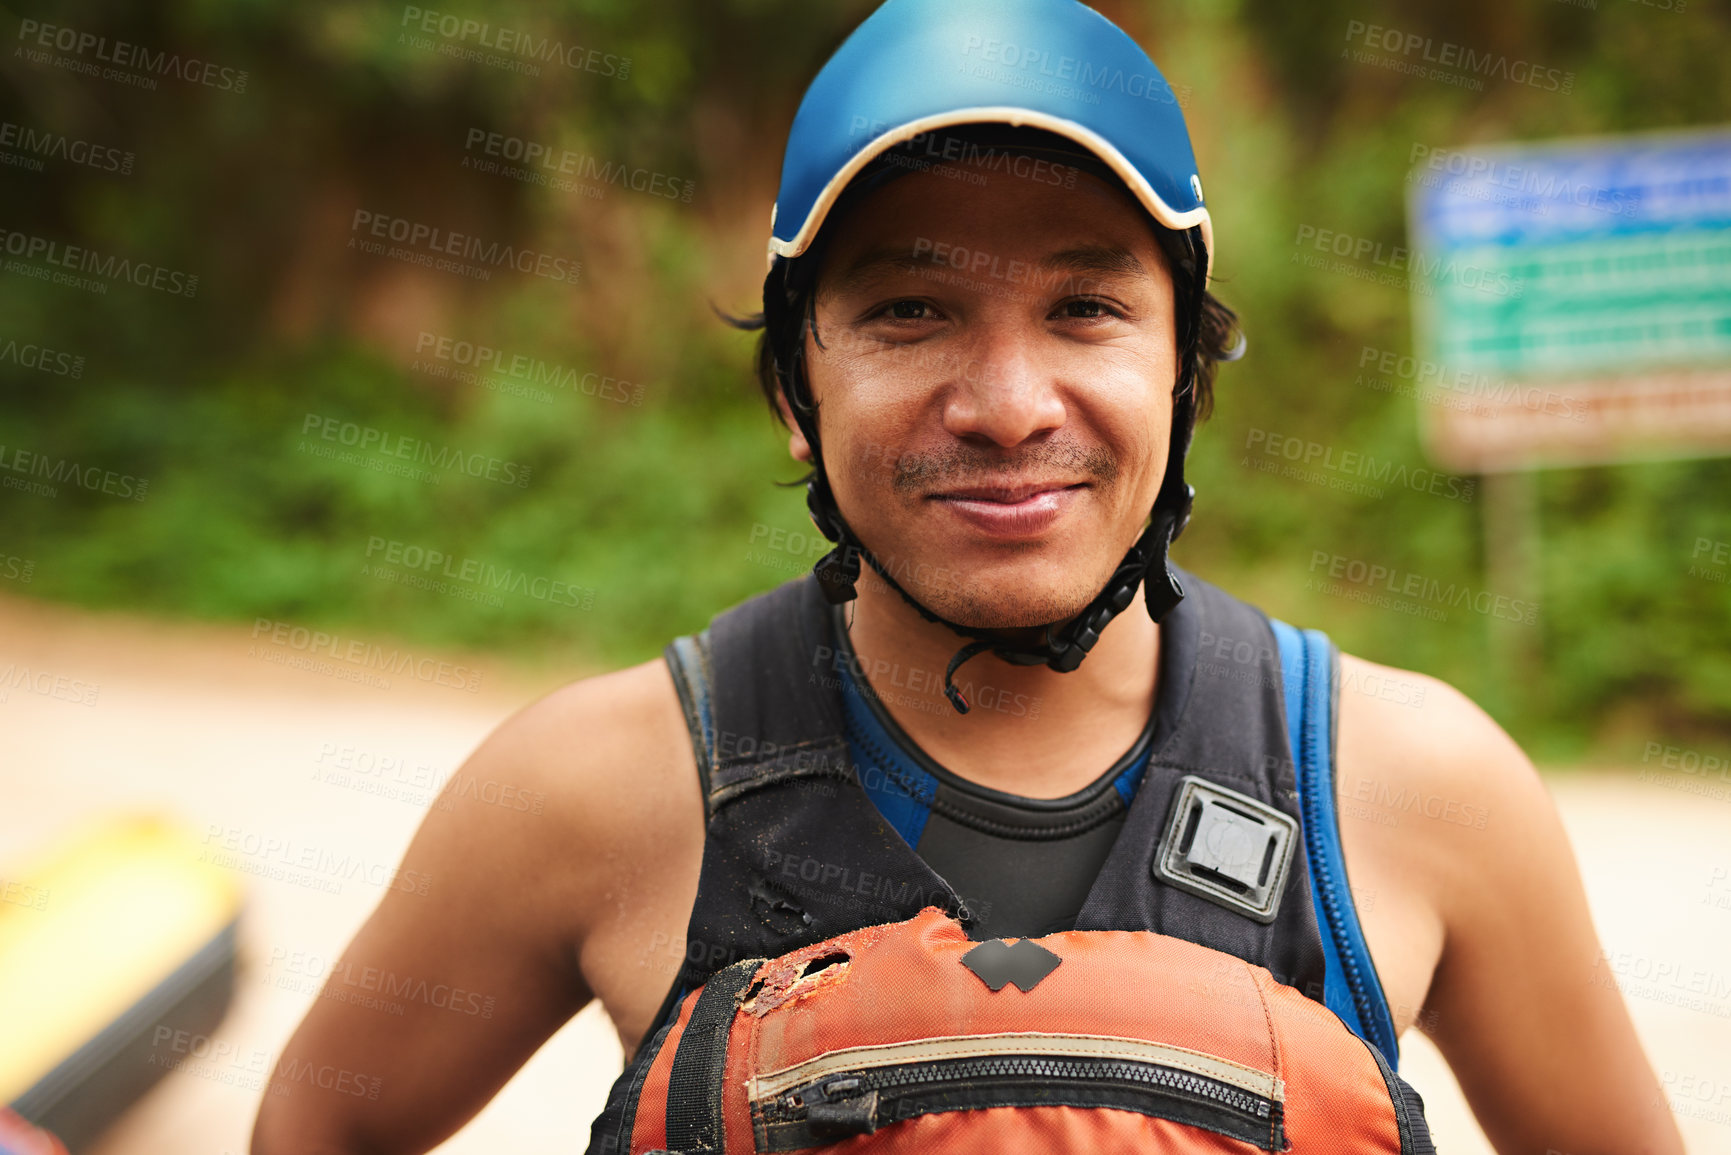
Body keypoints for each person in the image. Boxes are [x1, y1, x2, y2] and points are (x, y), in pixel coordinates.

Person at [252, 1, 1683, 1152]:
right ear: (793, 389)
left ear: (1182, 367)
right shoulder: (593, 789)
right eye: (910, 310)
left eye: (1085, 306)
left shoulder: (1420, 791)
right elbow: (320, 1126)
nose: (1007, 403)